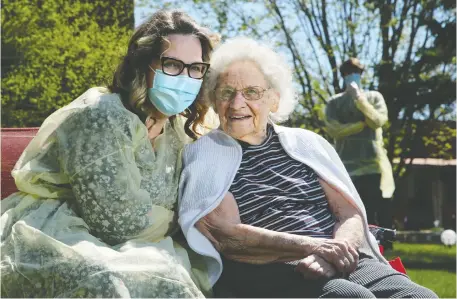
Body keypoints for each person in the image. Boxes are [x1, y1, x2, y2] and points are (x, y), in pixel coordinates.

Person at [178, 37, 437, 298]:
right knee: (348, 297)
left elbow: (349, 213)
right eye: (226, 93)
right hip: (268, 265)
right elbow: (226, 235)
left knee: (420, 297)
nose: (236, 104)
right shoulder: (206, 152)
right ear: (214, 99)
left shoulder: (306, 142)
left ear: (274, 100)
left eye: (251, 93)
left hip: (339, 254)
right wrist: (314, 247)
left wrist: (337, 250)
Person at [1, 9, 219, 297]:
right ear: (145, 65)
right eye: (172, 65)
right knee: (108, 279)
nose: (185, 77)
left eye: (195, 68)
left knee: (168, 278)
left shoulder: (181, 132)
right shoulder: (101, 115)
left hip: (143, 246)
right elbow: (118, 222)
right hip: (59, 230)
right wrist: (179, 219)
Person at [323, 58, 395, 229]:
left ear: (361, 75)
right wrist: (361, 124)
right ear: (343, 76)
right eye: (348, 73)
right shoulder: (334, 102)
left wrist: (360, 100)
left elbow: (378, 121)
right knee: (350, 212)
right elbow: (334, 130)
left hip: (373, 166)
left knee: (374, 209)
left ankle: (381, 248)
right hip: (345, 168)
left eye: (356, 72)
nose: (352, 76)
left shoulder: (374, 97)